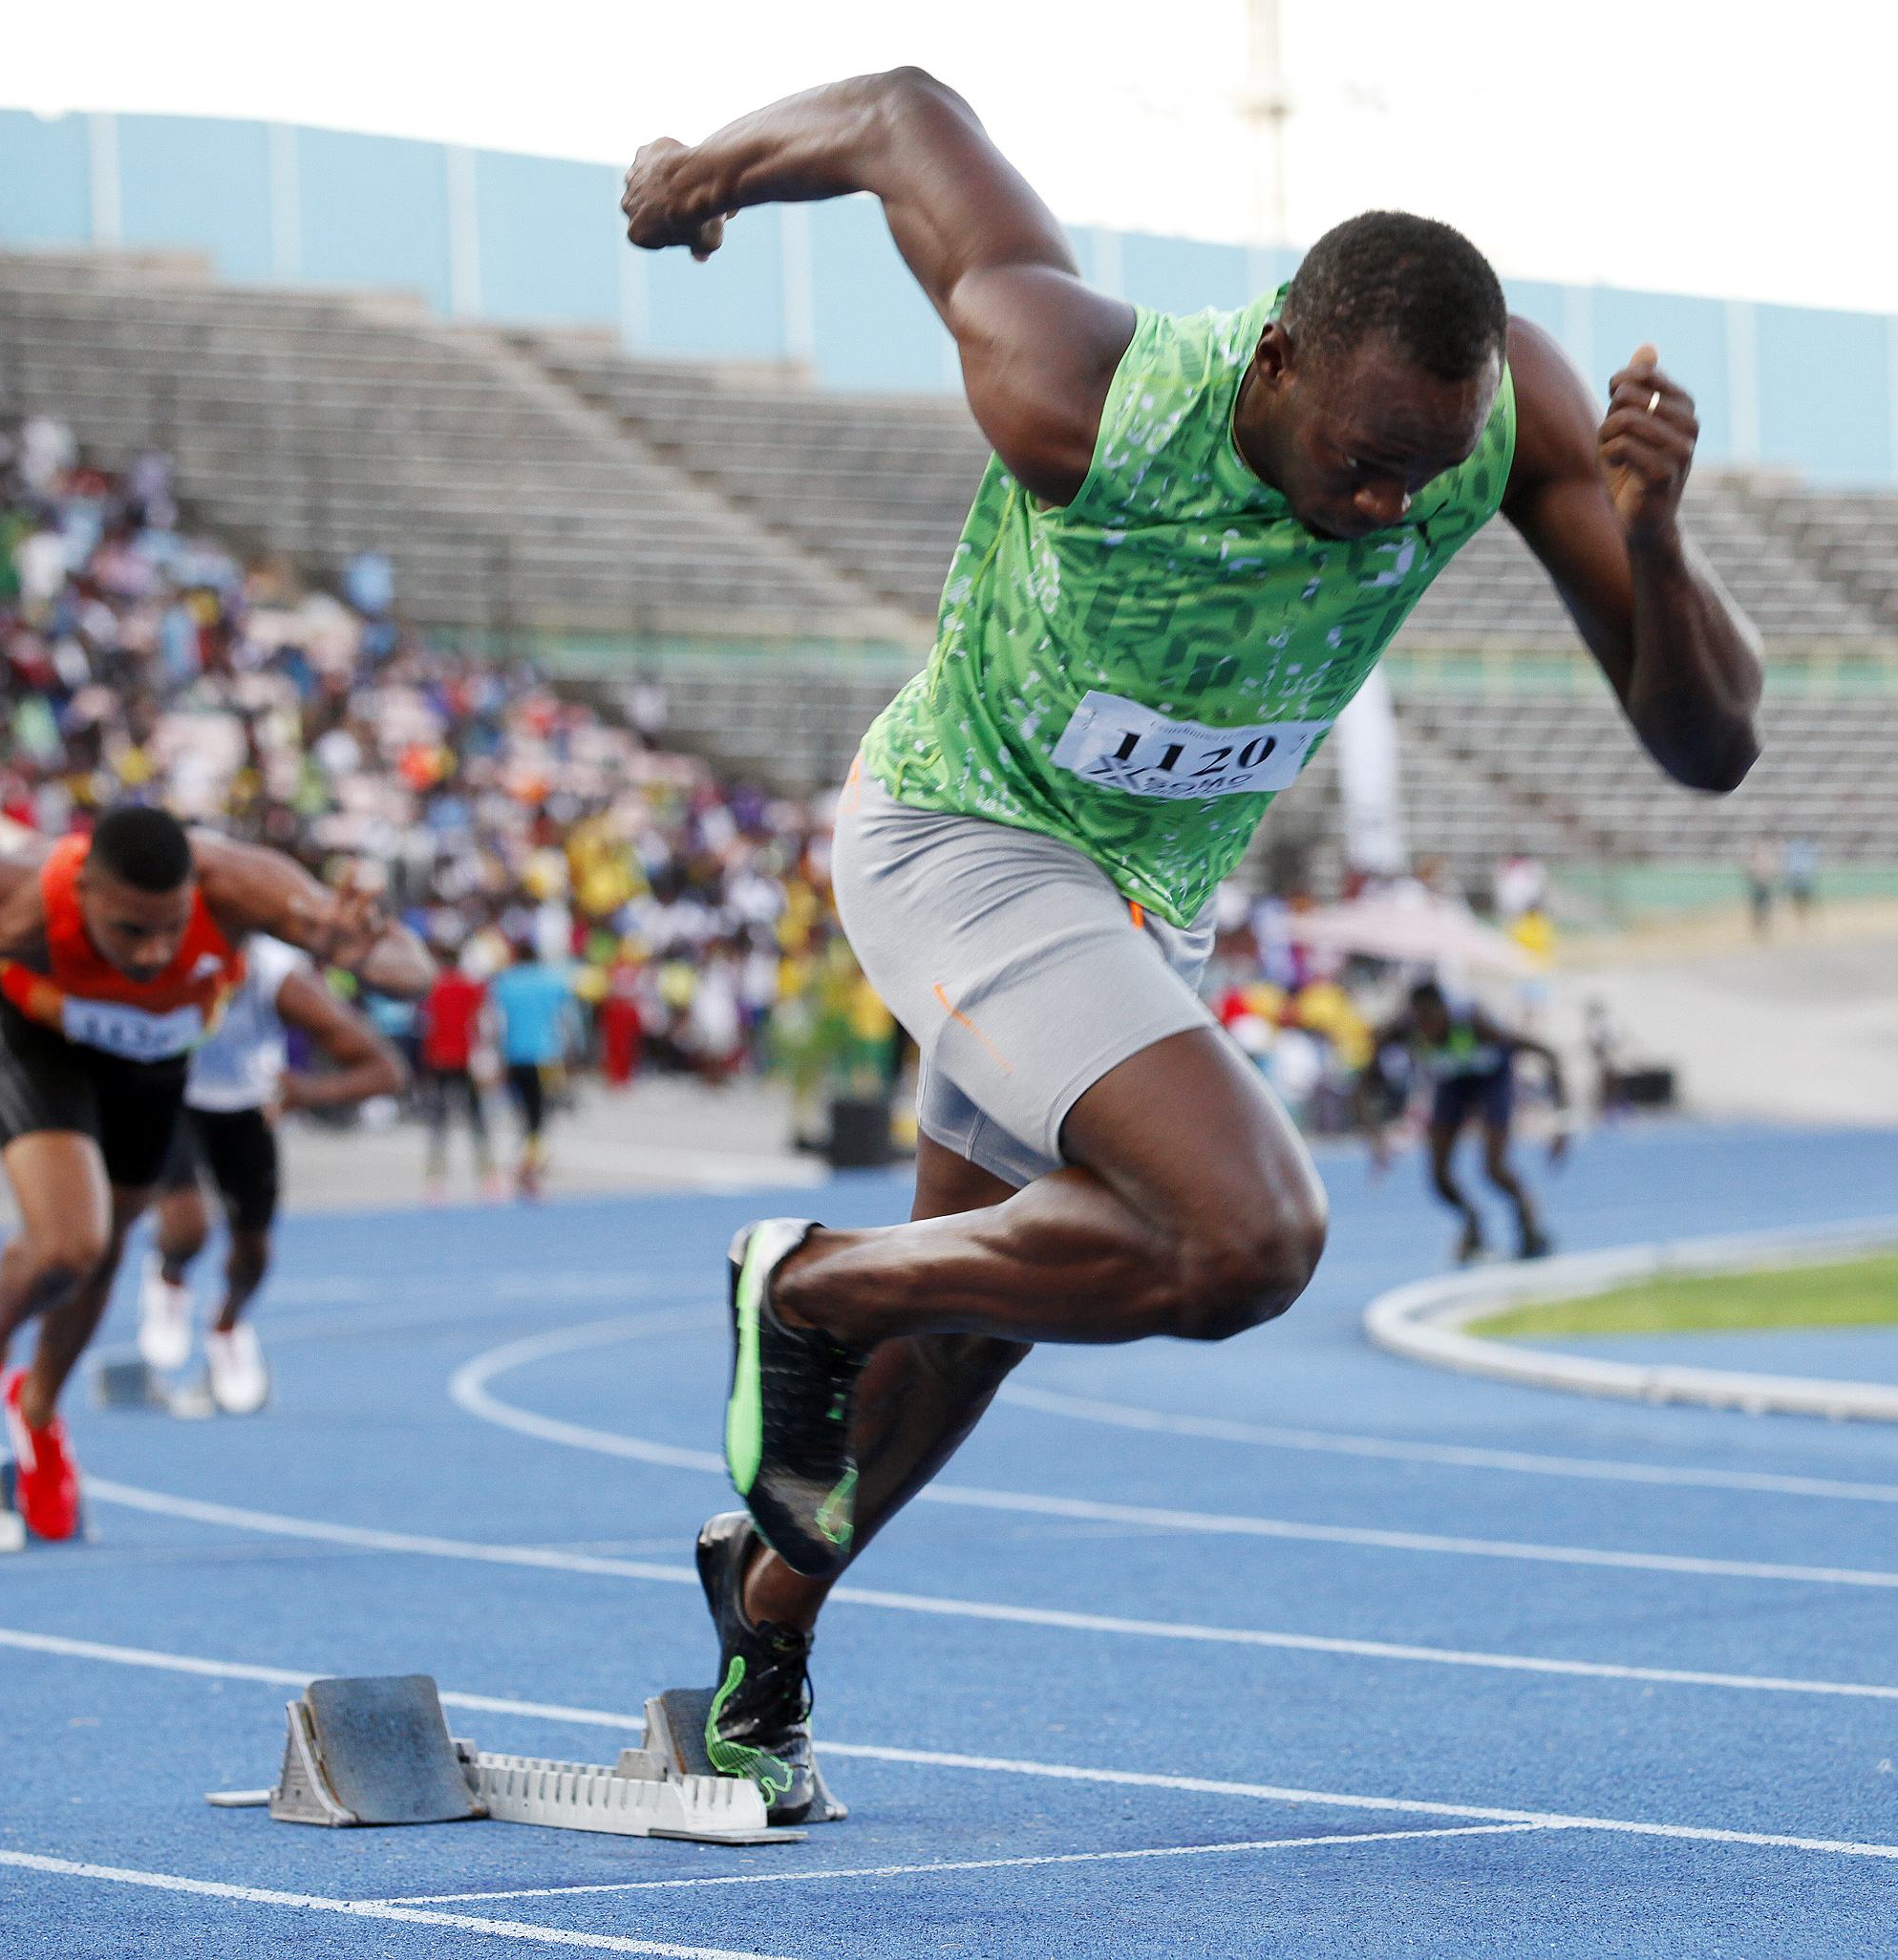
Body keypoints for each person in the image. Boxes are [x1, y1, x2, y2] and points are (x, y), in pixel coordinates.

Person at [621, 66, 1764, 1824]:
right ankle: (812, 1285)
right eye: (1361, 465)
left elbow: (1704, 744)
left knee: (983, 1321)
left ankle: (760, 1644)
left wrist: (1653, 539)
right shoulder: (1081, 392)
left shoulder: (1502, 417)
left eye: (1424, 470)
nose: (1391, 509)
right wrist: (705, 171)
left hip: (1136, 900)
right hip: (962, 833)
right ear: (1274, 368)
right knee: (1243, 1238)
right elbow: (905, 123)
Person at [0, 755, 429, 1537]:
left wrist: (357, 948)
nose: (154, 953)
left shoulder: (241, 885)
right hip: (39, 1035)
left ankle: (39, 1412)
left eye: (170, 929)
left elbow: (412, 971)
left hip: (154, 1057)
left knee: (111, 1243)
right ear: (84, 891)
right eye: (129, 930)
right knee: (65, 1247)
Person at [137, 935, 408, 1414]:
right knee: (188, 1225)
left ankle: (225, 1326)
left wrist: (309, 1092)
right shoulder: (155, 953)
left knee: (253, 1253)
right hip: (170, 1093)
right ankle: (170, 1275)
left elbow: (387, 1070)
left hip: (245, 1107)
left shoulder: (279, 979)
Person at [1374, 978, 1569, 1263]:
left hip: (1492, 1082)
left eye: (1432, 1020)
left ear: (1443, 1011)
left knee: (1494, 1168)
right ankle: (1473, 1226)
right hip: (1452, 1085)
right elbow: (1366, 1084)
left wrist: (1562, 1123)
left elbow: (1549, 1053)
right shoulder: (1403, 1030)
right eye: (1421, 1022)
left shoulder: (1475, 1024)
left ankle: (1530, 1227)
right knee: (1439, 1176)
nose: (1427, 1029)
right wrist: (1375, 1135)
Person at [487, 936, 577, 1197]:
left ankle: (529, 1154)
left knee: (522, 1108)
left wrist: (495, 1055)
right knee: (542, 1109)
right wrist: (574, 1052)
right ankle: (533, 1159)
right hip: (545, 1055)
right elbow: (567, 1018)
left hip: (514, 1055)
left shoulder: (504, 983)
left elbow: (494, 1022)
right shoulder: (551, 981)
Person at [416, 948, 495, 1193]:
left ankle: (435, 1179)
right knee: (476, 1118)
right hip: (466, 1059)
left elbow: (425, 1026)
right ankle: (486, 1175)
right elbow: (483, 1022)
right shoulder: (470, 988)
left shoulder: (433, 989)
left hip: (440, 1058)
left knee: (439, 1119)